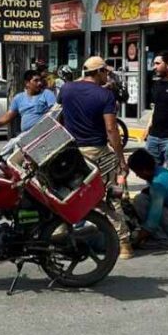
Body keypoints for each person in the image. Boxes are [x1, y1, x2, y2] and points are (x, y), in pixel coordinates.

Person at [59, 56, 132, 259]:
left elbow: (61, 115)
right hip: (97, 152)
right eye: (105, 72)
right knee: (112, 196)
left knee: (68, 194)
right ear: (99, 72)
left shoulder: (66, 89)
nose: (107, 76)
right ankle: (124, 244)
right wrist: (120, 159)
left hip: (72, 153)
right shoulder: (105, 96)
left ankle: (58, 232)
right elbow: (111, 129)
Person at [140, 51, 168, 174]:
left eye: (158, 63)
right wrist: (148, 127)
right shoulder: (157, 84)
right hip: (153, 137)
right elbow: (155, 108)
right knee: (151, 172)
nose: (154, 67)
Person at [0, 69, 56, 135]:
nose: (39, 83)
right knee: (9, 146)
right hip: (25, 136)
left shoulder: (47, 94)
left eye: (40, 80)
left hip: (43, 134)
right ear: (27, 83)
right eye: (36, 81)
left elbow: (56, 112)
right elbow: (8, 116)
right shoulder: (19, 98)